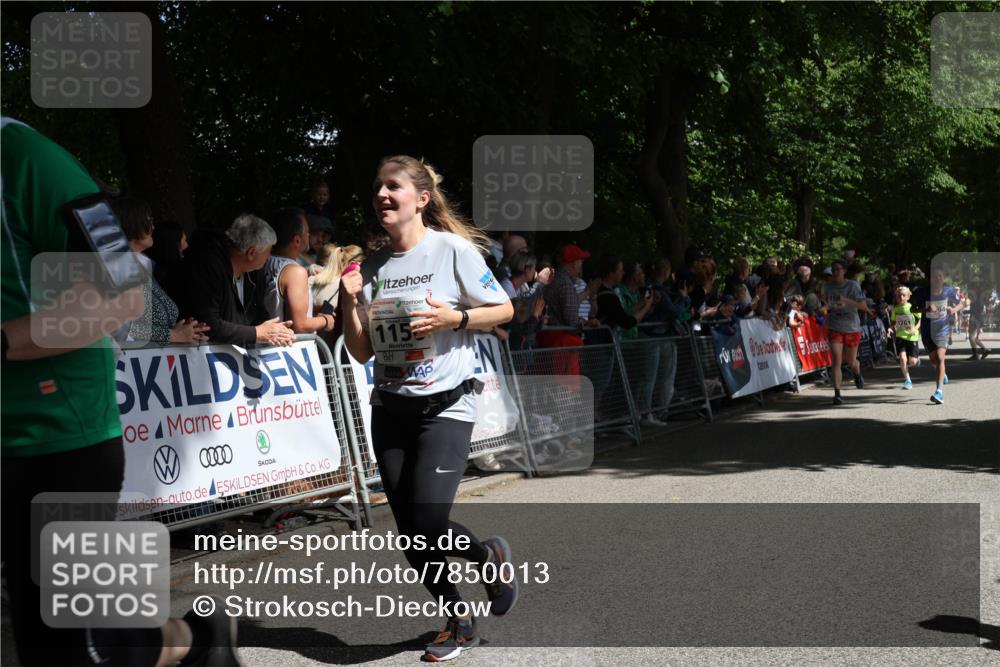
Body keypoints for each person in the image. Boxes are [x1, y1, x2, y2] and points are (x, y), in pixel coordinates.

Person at [1, 118, 239, 667]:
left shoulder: (28, 160)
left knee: (74, 649)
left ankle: (197, 637)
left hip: (59, 440)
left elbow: (123, 298)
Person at [340, 155, 516, 662]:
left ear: (420, 199)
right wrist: (350, 303)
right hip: (390, 410)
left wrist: (454, 317)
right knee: (412, 538)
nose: (382, 195)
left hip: (446, 407)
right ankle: (458, 622)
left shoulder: (451, 250)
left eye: (392, 186)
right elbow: (361, 351)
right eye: (377, 188)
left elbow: (503, 309)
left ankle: (488, 558)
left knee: (428, 523)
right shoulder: (368, 269)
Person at [171, 214, 295, 347]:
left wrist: (277, 331)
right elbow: (208, 324)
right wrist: (256, 333)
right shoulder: (206, 266)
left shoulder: (254, 272)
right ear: (251, 253)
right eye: (268, 251)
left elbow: (258, 313)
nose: (269, 256)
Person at [111, 196, 210, 346]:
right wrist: (174, 335)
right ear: (131, 223)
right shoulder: (116, 268)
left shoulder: (143, 266)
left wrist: (186, 331)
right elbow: (119, 328)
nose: (153, 227)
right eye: (148, 220)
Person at [262, 207, 336, 334]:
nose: (308, 235)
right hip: (289, 350)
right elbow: (299, 325)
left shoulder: (261, 262)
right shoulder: (295, 272)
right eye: (307, 233)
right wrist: (326, 320)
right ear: (297, 240)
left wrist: (310, 307)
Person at [819, 259, 870, 405]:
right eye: (833, 270)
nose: (835, 272)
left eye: (838, 269)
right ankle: (837, 393)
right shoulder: (827, 287)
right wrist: (824, 310)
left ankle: (857, 372)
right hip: (835, 326)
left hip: (852, 327)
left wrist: (846, 301)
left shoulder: (853, 286)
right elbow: (827, 305)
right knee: (836, 360)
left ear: (844, 271)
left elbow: (863, 306)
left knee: (851, 361)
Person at [912, 268, 965, 404]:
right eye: (935, 276)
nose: (937, 279)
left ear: (943, 278)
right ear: (930, 279)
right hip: (927, 330)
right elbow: (912, 308)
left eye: (940, 276)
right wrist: (925, 310)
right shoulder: (922, 292)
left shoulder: (949, 291)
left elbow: (961, 303)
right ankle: (942, 373)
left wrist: (953, 310)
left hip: (943, 329)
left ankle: (939, 392)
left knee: (941, 357)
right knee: (934, 359)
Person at [311, 244, 365, 341]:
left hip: (310, 344)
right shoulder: (348, 286)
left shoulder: (312, 278)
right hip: (334, 348)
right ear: (354, 264)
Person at [890, 286, 921, 389]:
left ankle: (916, 360)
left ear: (908, 297)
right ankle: (907, 380)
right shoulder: (895, 309)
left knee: (912, 362)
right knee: (903, 359)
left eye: (903, 295)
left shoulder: (913, 308)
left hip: (912, 337)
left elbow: (921, 320)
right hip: (900, 336)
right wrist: (890, 329)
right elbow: (893, 322)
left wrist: (915, 329)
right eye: (899, 295)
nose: (901, 297)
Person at [967, 286, 991, 360]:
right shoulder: (977, 300)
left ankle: (976, 355)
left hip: (975, 319)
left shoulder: (977, 301)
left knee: (971, 337)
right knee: (973, 337)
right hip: (976, 319)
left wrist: (967, 312)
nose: (970, 294)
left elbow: (979, 310)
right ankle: (985, 350)